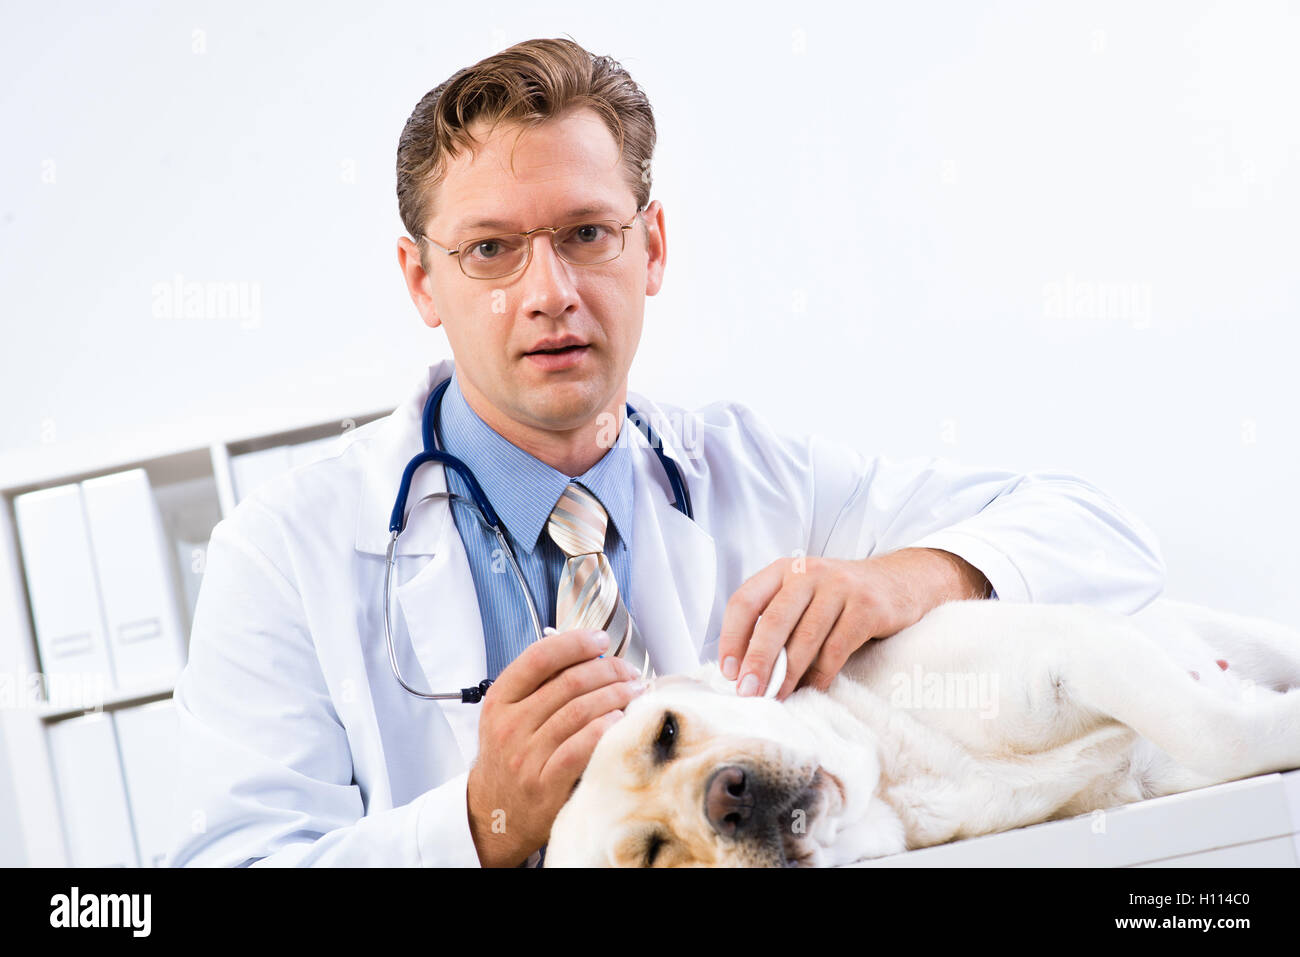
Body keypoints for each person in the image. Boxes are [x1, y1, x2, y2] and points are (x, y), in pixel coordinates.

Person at [168, 37, 1165, 868]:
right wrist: (480, 821)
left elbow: (1108, 542)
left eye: (586, 233)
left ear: (650, 249)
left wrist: (907, 579)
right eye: (490, 250)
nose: (548, 290)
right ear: (422, 282)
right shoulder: (282, 553)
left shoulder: (761, 474)